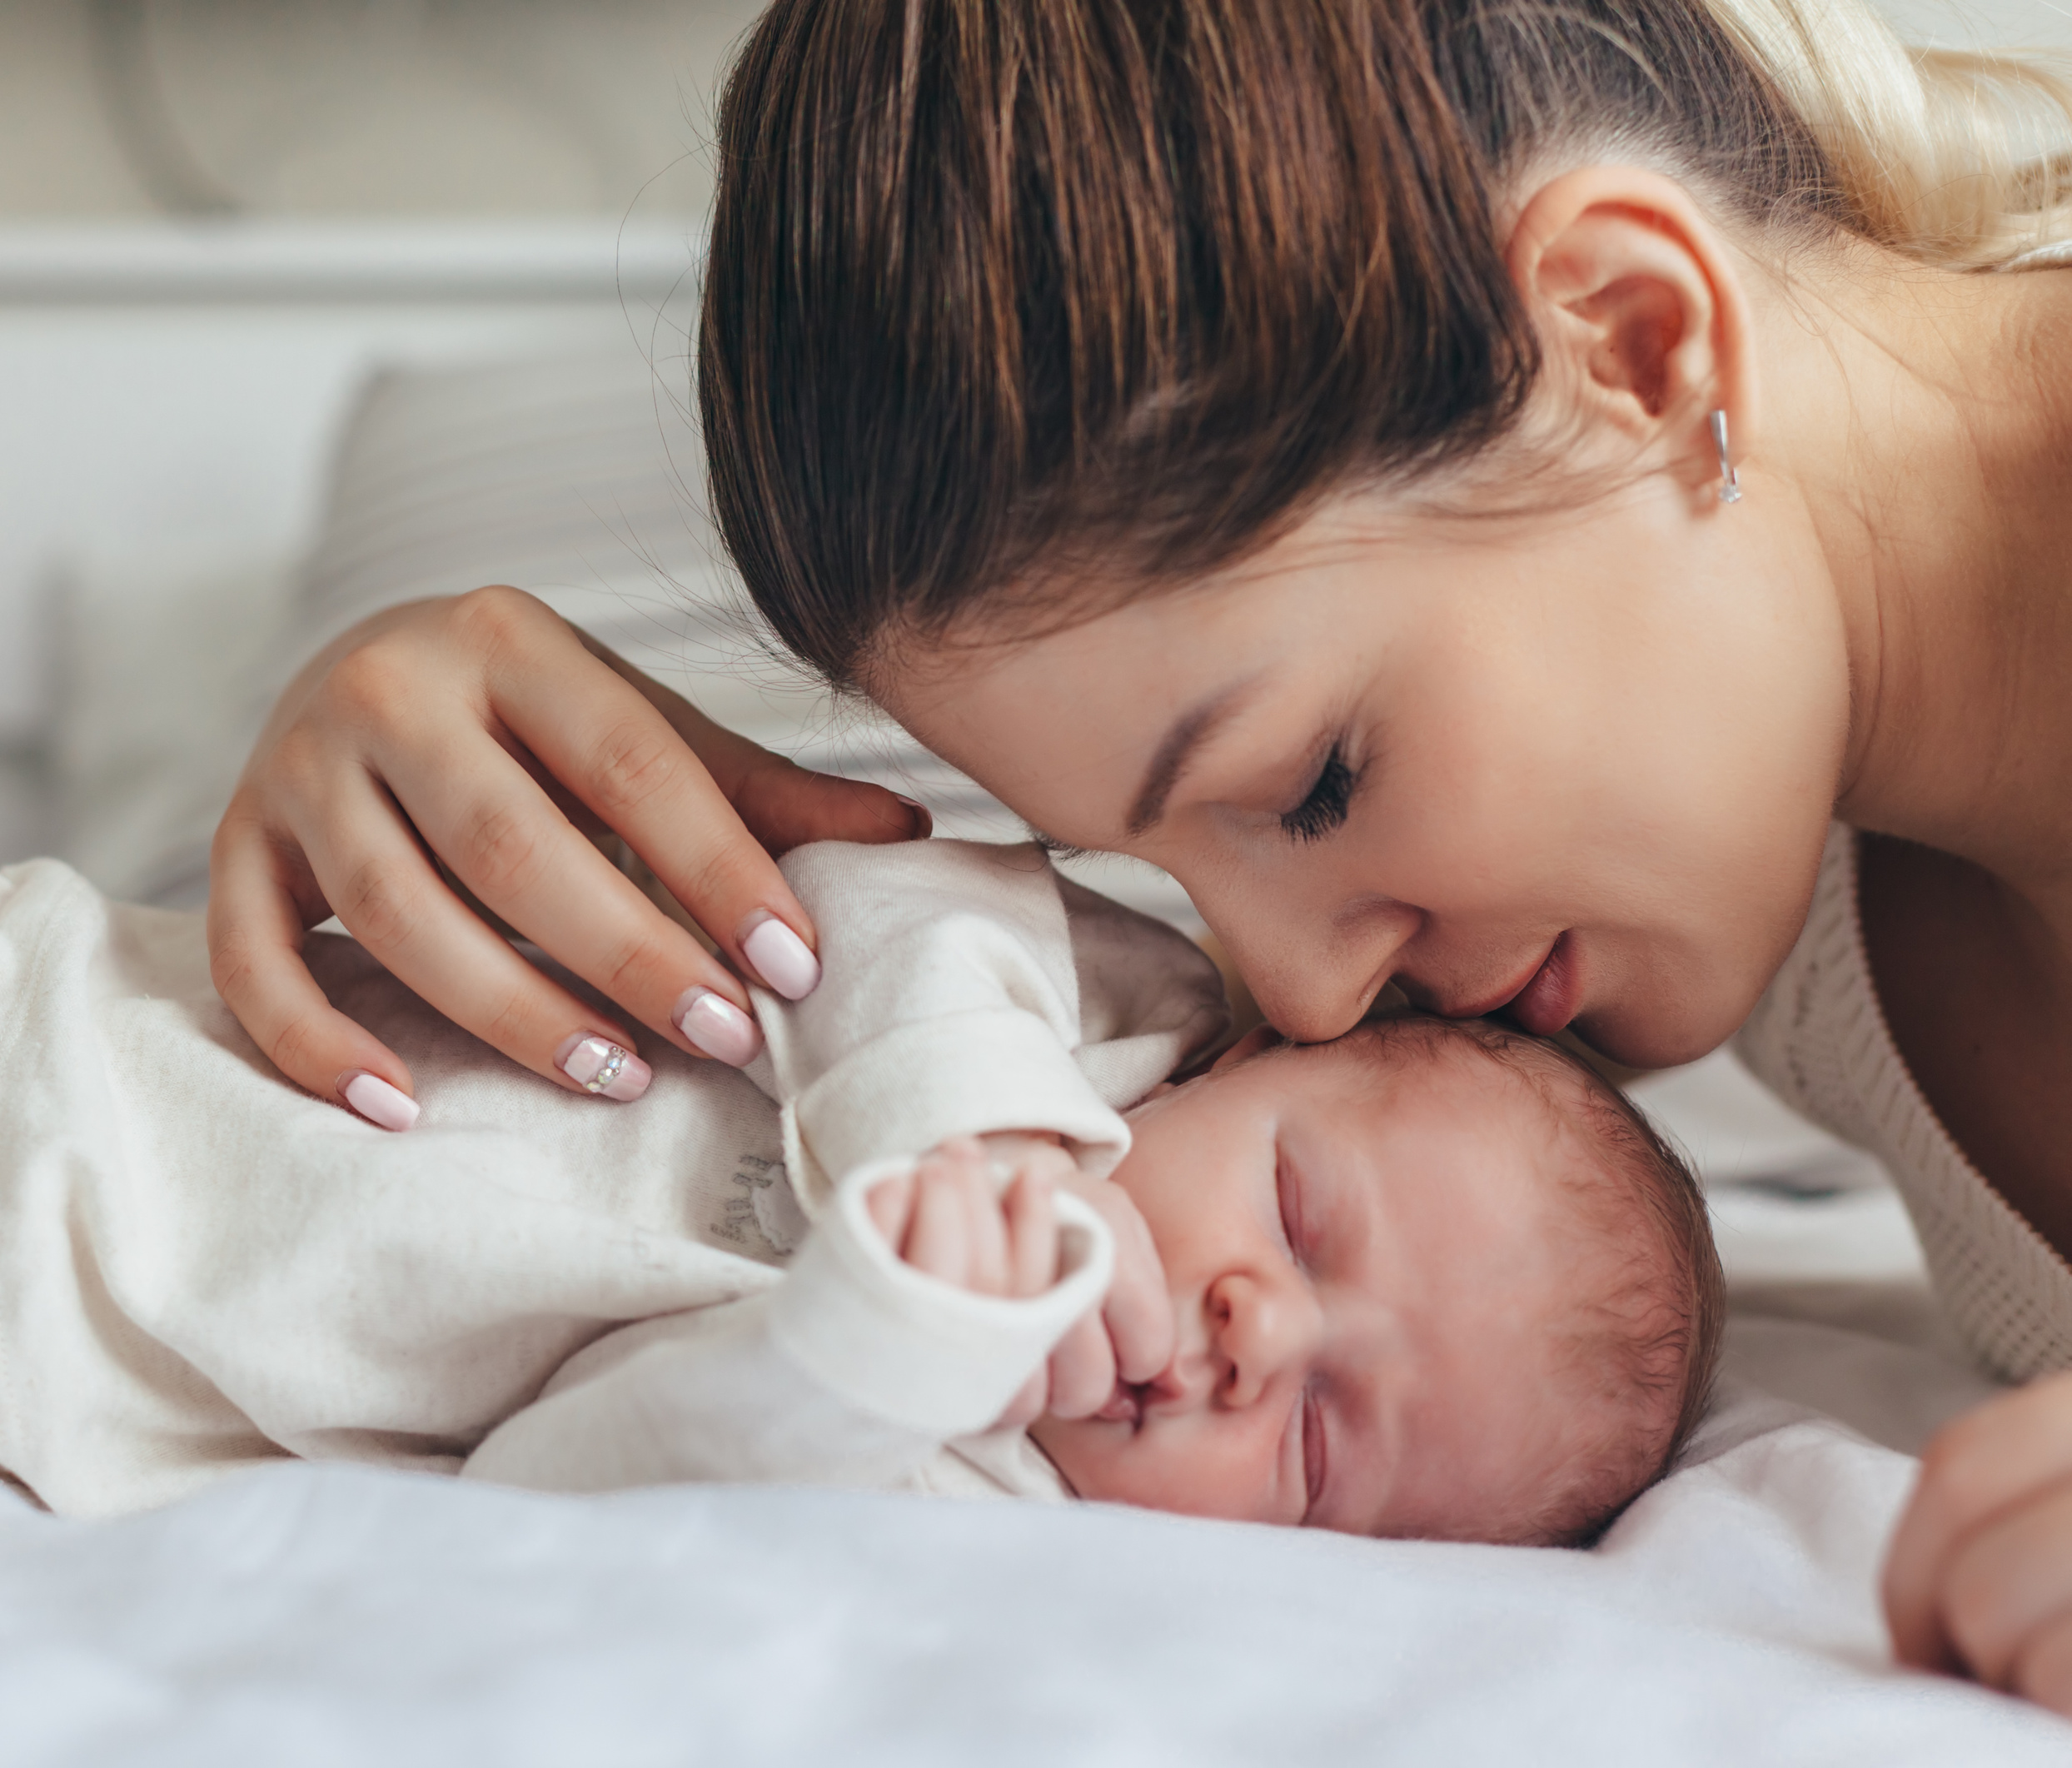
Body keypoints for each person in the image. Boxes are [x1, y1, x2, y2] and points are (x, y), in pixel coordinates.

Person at [201, 0, 2072, 1719]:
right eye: (1166, 867)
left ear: (1631, 339)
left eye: (1315, 782)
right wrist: (440, 725)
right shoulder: (1774, 828)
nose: (1308, 994)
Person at [0, 797, 1715, 1541]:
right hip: (1, 994)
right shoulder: (1072, 1002)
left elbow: (583, 1474)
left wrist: (883, 1340)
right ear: (1250, 1057)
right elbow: (857, 885)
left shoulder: (958, 1497)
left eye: (1322, 1442)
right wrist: (966, 1121)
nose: (1247, 1332)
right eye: (1304, 1224)